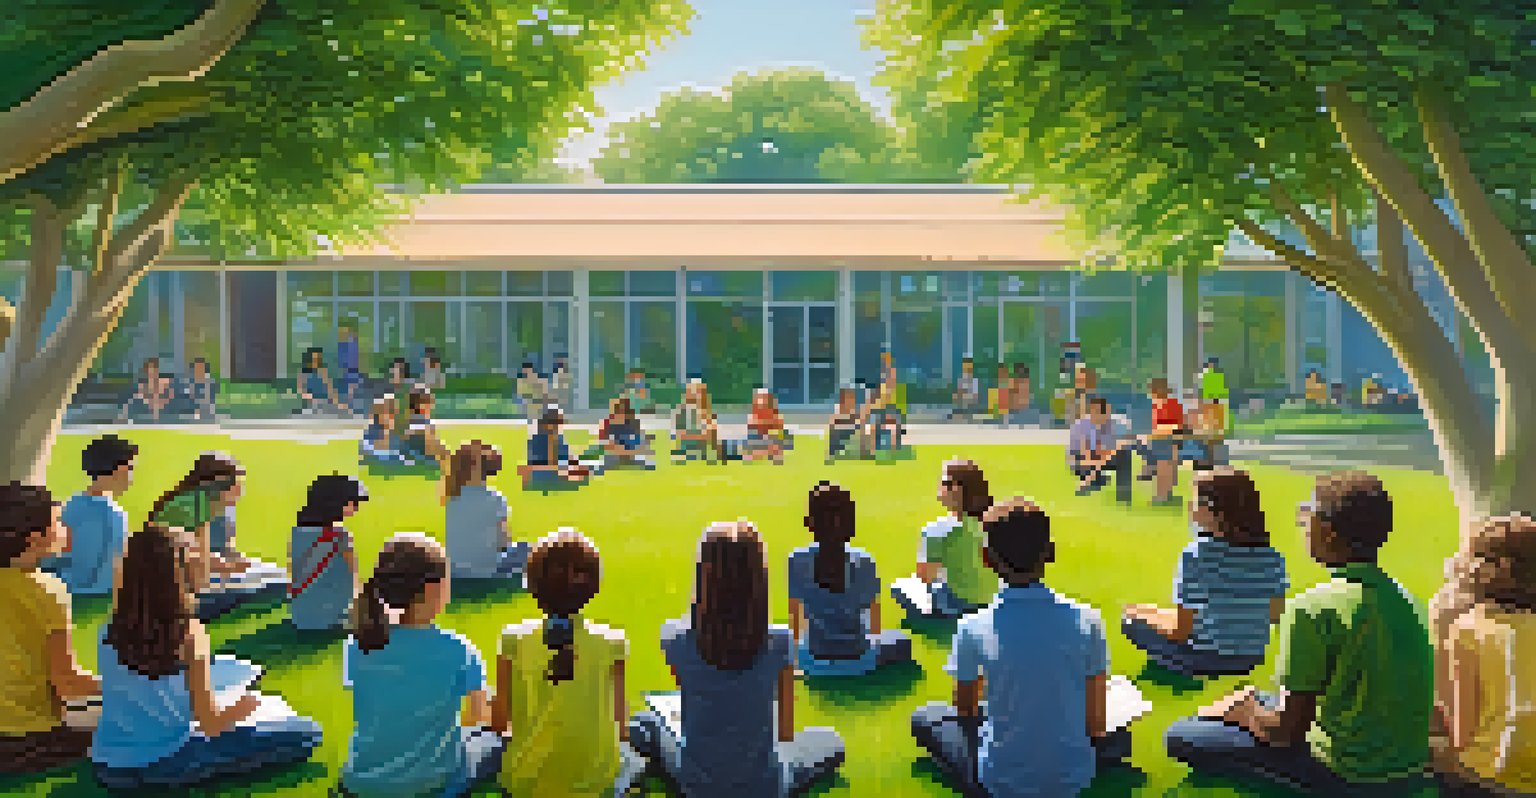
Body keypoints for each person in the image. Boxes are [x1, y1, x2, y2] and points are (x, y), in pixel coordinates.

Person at [1165, 471, 1435, 795]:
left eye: (1307, 511)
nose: (1302, 522)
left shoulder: (1311, 608)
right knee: (1260, 699)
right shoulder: (1411, 602)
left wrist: (1246, 711)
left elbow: (1285, 732)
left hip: (1348, 774)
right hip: (1407, 767)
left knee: (1182, 734)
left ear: (1327, 531)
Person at [911, 498, 1135, 798]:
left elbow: (965, 711)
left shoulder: (972, 626)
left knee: (927, 718)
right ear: (1051, 553)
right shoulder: (1088, 619)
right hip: (1073, 775)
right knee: (1118, 736)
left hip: (1000, 778)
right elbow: (1095, 725)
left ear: (986, 559)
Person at [90, 519, 321, 789]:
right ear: (179, 574)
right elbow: (211, 724)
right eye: (198, 557)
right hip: (167, 762)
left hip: (108, 763)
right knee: (308, 733)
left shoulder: (109, 628)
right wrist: (244, 707)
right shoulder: (188, 633)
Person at [627, 521, 846, 798]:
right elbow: (785, 731)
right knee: (829, 740)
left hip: (698, 785)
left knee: (646, 723)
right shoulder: (780, 641)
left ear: (703, 577)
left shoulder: (675, 638)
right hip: (765, 785)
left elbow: (687, 694)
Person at [340, 533, 500, 797]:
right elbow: (478, 719)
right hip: (430, 782)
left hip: (360, 781)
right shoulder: (457, 650)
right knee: (493, 741)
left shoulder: (358, 643)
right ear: (432, 589)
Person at [493, 529, 648, 797]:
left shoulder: (512, 640)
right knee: (641, 736)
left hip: (524, 785)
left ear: (532, 584)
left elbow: (499, 723)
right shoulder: (613, 642)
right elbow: (620, 727)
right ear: (593, 586)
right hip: (595, 785)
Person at [1121, 468, 1288, 677]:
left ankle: (1178, 667)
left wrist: (1139, 616)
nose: (1190, 507)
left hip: (1205, 659)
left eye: (1195, 501)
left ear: (1215, 510)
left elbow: (1180, 631)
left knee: (1129, 620)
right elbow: (1273, 616)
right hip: (1252, 658)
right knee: (1144, 611)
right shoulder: (1272, 556)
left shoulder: (1196, 555)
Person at [1431, 515, 1536, 796]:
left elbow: (1461, 733)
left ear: (1497, 569)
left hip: (1491, 777)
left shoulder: (1468, 629)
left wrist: (1440, 629)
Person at [0, 482, 101, 775]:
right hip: (29, 737)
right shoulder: (47, 590)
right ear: (34, 538)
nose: (66, 530)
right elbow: (68, 682)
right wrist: (121, 685)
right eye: (58, 522)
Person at [788, 482, 913, 677]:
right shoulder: (864, 561)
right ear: (850, 523)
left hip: (813, 660)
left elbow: (795, 614)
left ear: (809, 522)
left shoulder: (796, 560)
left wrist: (796, 658)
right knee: (902, 641)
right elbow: (874, 617)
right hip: (859, 660)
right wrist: (875, 644)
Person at [150, 452, 289, 621]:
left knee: (272, 574)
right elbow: (197, 571)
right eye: (236, 485)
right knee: (278, 583)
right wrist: (229, 570)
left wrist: (234, 565)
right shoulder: (198, 506)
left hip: (181, 579)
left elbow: (203, 554)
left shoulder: (195, 500)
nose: (240, 491)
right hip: (182, 586)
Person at [891, 460, 998, 622]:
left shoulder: (936, 530)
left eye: (943, 482)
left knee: (900, 587)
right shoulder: (997, 524)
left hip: (958, 605)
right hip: (993, 601)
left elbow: (924, 579)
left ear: (955, 489)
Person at [42, 434, 135, 596]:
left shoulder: (73, 508)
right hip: (73, 598)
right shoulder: (73, 510)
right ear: (119, 469)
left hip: (96, 600)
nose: (132, 476)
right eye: (130, 468)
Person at [288, 474, 369, 631]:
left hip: (300, 616)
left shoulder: (297, 532)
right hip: (333, 617)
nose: (356, 508)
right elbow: (352, 581)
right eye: (354, 503)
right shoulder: (341, 536)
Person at [443, 441, 531, 583]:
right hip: (486, 571)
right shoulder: (495, 499)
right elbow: (503, 544)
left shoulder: (452, 498)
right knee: (527, 549)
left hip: (454, 571)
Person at [1068, 397, 1132, 503]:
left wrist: (1092, 473)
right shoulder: (1082, 426)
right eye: (1093, 412)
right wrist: (1089, 473)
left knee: (1125, 454)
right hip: (1083, 457)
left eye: (1099, 413)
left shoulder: (1117, 425)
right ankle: (1097, 480)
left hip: (1107, 455)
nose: (1095, 416)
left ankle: (1123, 495)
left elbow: (1115, 449)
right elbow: (1082, 451)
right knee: (1085, 466)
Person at [1137, 376, 1186, 505]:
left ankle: (1162, 496)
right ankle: (1163, 495)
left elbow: (1173, 426)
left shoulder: (1172, 404)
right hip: (1159, 441)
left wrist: (1151, 434)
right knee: (1163, 469)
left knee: (1166, 469)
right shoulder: (1157, 405)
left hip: (1169, 441)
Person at [521, 406, 594, 487]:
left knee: (580, 470)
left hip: (557, 469)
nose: (559, 427)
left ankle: (568, 477)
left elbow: (567, 458)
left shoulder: (558, 439)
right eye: (557, 423)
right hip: (543, 471)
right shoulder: (537, 440)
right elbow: (545, 463)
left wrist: (576, 465)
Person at [591, 397, 654, 470]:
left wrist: (628, 451)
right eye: (617, 412)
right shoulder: (608, 425)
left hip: (631, 455)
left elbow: (640, 444)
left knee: (647, 462)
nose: (618, 415)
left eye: (622, 412)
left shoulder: (633, 425)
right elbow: (604, 444)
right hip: (615, 455)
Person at [672, 379, 721, 464]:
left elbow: (712, 432)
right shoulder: (683, 410)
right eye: (693, 391)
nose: (695, 395)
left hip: (703, 447)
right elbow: (680, 433)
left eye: (698, 391)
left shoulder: (707, 411)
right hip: (688, 446)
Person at [399, 386, 449, 468]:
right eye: (427, 403)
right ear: (417, 405)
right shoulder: (416, 421)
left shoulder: (422, 420)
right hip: (416, 458)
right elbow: (429, 443)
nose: (430, 406)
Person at [359, 395, 411, 466]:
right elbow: (368, 457)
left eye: (394, 413)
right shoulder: (371, 434)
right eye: (389, 413)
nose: (392, 417)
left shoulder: (398, 437)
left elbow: (406, 459)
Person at [746, 388, 792, 465]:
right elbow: (751, 426)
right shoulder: (755, 413)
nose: (761, 401)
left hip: (771, 437)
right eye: (759, 398)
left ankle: (770, 452)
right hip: (760, 437)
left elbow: (778, 426)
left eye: (763, 398)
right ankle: (763, 452)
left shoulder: (773, 413)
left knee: (775, 442)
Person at [123, 357, 172, 423]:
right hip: (147, 412)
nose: (151, 373)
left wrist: (157, 400)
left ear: (157, 370)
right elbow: (141, 399)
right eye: (149, 370)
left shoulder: (164, 383)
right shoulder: (142, 386)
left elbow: (169, 399)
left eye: (153, 370)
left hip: (162, 412)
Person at [826, 385, 867, 463]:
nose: (850, 399)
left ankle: (863, 452)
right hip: (842, 430)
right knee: (834, 429)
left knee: (864, 430)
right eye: (848, 397)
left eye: (851, 397)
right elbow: (834, 420)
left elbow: (861, 420)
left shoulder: (857, 408)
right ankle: (833, 452)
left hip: (853, 429)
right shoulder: (838, 407)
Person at [298, 347, 342, 415]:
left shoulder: (323, 372)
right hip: (311, 404)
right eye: (313, 359)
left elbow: (330, 388)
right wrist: (310, 398)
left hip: (325, 403)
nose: (315, 361)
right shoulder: (303, 375)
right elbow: (301, 391)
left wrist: (336, 402)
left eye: (317, 359)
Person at [336, 324, 363, 415]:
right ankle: (346, 409)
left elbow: (355, 360)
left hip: (352, 372)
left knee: (352, 391)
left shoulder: (352, 344)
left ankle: (351, 409)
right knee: (346, 392)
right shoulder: (340, 345)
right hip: (344, 373)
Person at [1199, 358, 1229, 434]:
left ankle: (1213, 431)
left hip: (1212, 399)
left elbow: (1206, 388)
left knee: (1212, 418)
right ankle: (1218, 431)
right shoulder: (1219, 375)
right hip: (1217, 399)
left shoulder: (1207, 375)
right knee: (1216, 418)